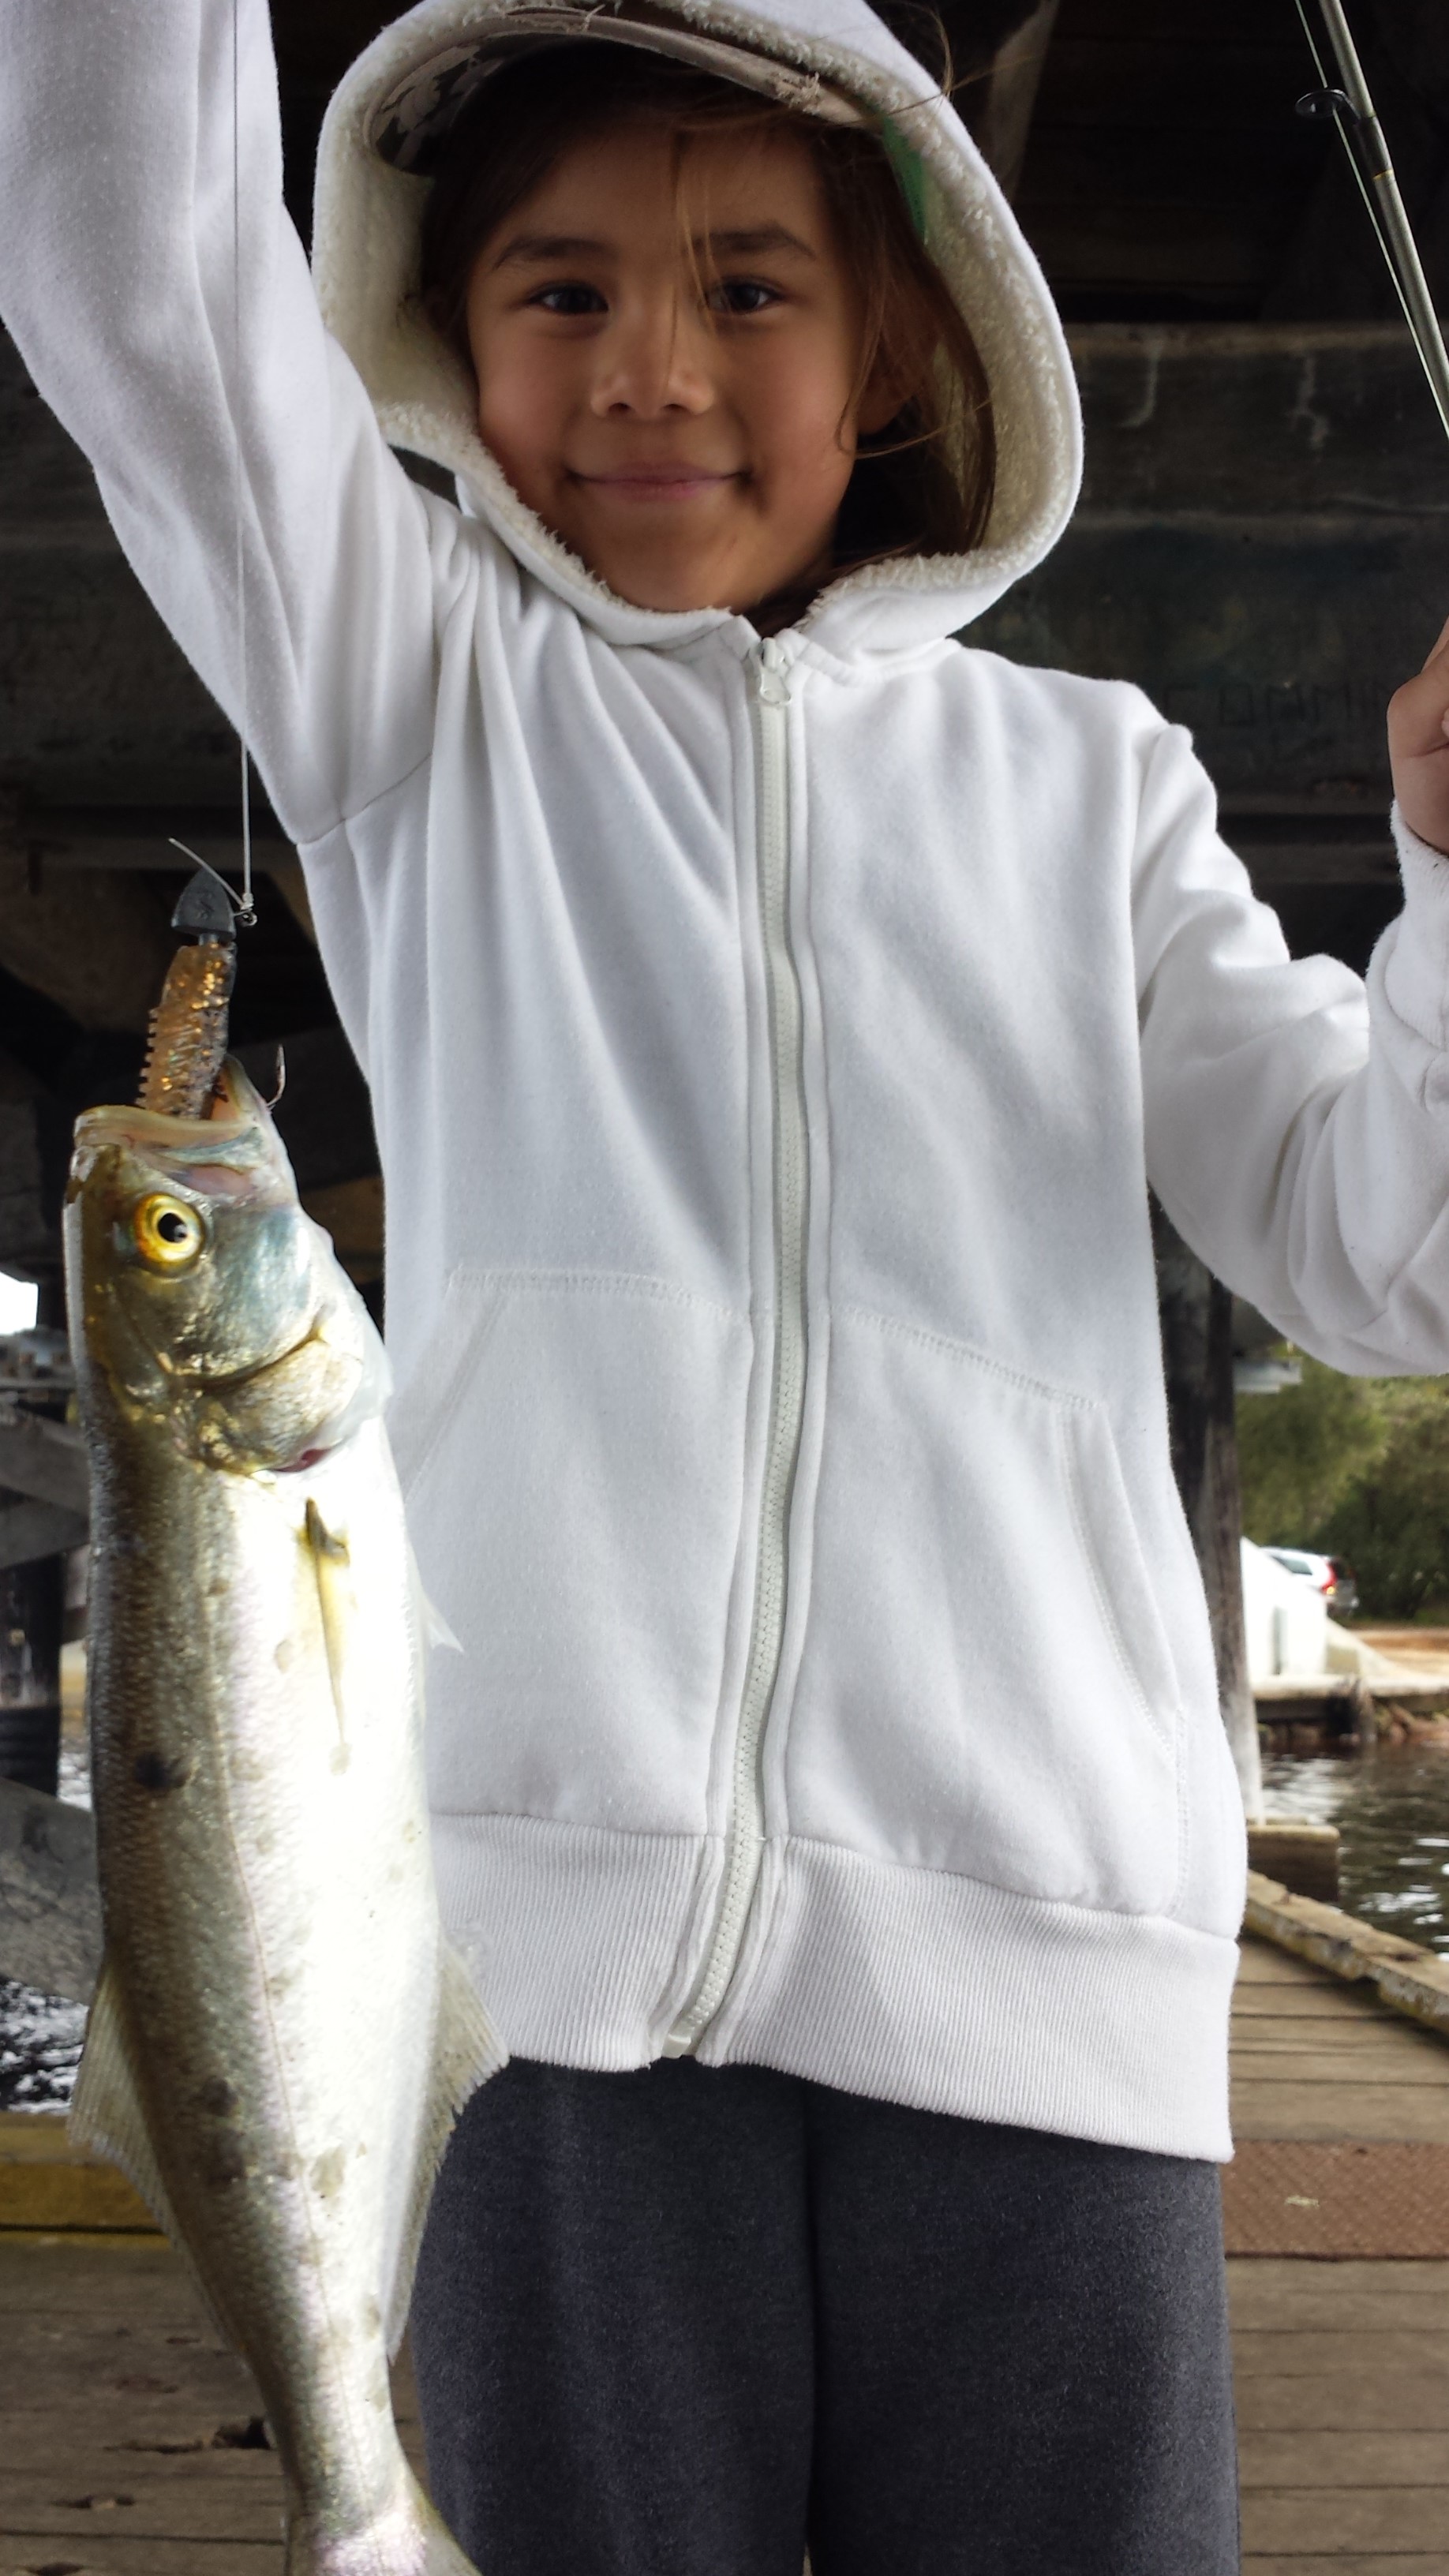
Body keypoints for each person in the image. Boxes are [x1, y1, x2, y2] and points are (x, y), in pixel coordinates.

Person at [5, 4, 1449, 2570]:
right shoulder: (417, 689)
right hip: (530, 1999)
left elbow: (1385, 1252)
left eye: (748, 290)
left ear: (892, 347)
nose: (650, 367)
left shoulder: (1095, 783)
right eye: (557, 292)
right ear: (444, 340)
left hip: (1046, 1997)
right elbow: (133, 283)